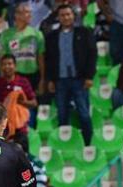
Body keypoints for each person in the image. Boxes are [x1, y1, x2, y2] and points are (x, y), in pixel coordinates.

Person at [45, 4, 96, 145]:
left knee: (84, 114)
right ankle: (65, 145)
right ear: (58, 17)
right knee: (62, 115)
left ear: (74, 16)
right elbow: (48, 59)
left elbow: (92, 55)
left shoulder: (85, 32)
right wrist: (50, 80)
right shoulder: (51, 37)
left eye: (68, 14)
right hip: (60, 80)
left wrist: (89, 76)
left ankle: (88, 144)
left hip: (79, 80)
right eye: (62, 15)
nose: (66, 17)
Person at [0, 54, 38, 151]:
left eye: (9, 64)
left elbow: (34, 103)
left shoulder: (23, 81)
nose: (7, 66)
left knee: (23, 157)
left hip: (20, 128)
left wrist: (23, 102)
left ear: (15, 66)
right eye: (4, 64)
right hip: (4, 127)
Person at [0, 2, 46, 96]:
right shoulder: (6, 35)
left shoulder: (37, 34)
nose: (30, 15)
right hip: (14, 75)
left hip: (33, 75)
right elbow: (2, 58)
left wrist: (42, 79)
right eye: (26, 12)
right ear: (17, 15)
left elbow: (40, 57)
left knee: (32, 105)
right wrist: (3, 77)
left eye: (30, 12)